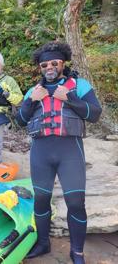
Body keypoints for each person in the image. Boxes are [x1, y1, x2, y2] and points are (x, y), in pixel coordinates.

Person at [16, 42, 102, 263]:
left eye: (54, 63)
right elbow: (21, 121)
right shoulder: (34, 91)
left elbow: (95, 114)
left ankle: (77, 252)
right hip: (41, 153)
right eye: (44, 64)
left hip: (70, 153)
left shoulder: (79, 85)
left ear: (62, 63)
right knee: (41, 200)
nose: (49, 67)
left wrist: (70, 99)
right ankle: (43, 243)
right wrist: (31, 101)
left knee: (75, 202)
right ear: (40, 67)